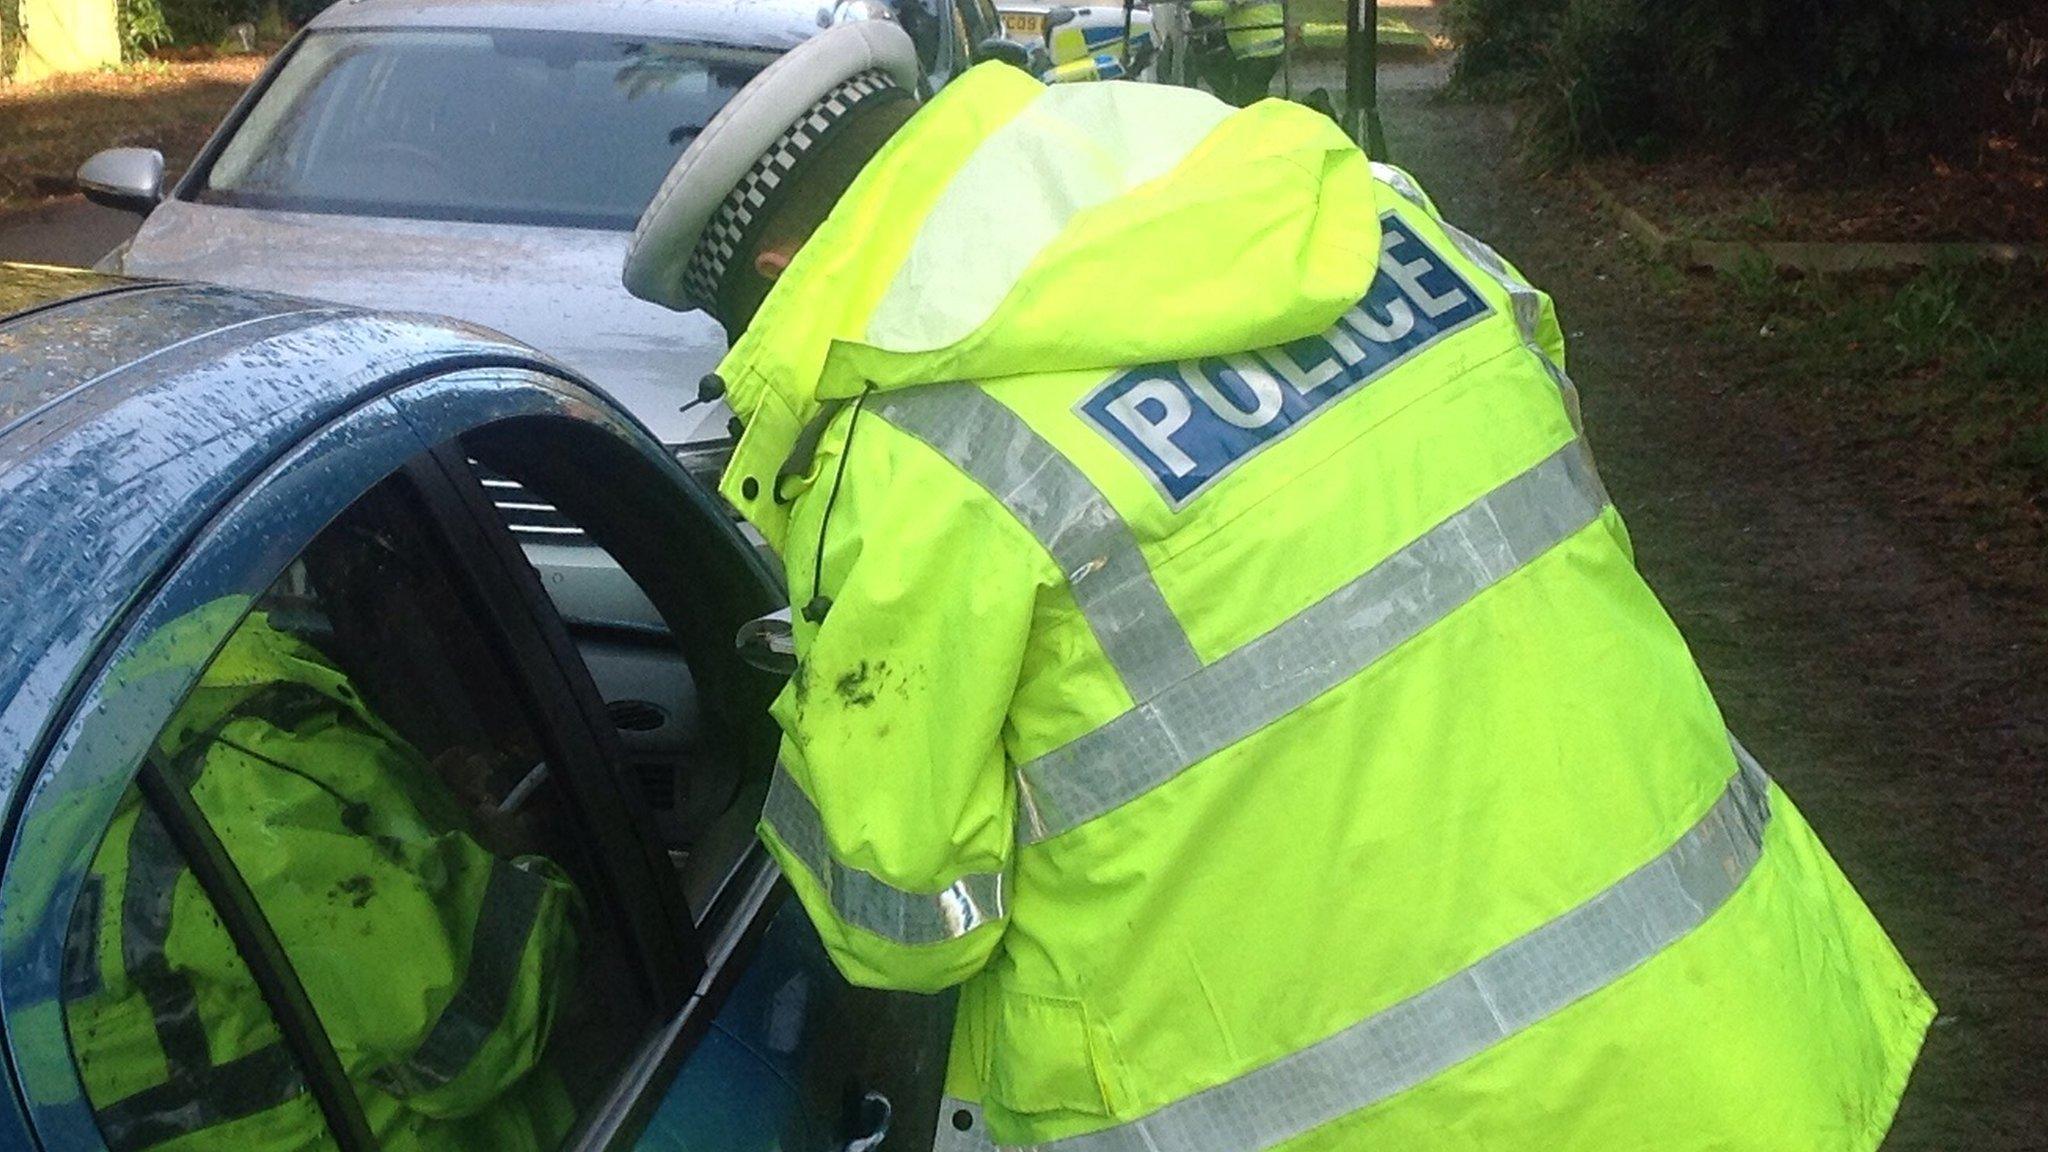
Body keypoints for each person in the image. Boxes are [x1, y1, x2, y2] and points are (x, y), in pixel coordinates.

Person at [622, 24, 1933, 1151]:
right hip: (1732, 1030)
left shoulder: (921, 452)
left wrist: (799, 724)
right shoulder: (1375, 221)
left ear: (784, 272)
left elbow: (907, 920)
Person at [63, 605, 580, 1152]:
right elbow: (478, 1037)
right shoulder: (248, 798)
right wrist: (514, 855)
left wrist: (427, 804)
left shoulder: (59, 858)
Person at [1187, 0, 1284, 106]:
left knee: (1248, 99)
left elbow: (1222, 7)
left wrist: (1189, 3)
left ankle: (1253, 121)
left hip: (1258, 50)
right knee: (1252, 96)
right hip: (1268, 45)